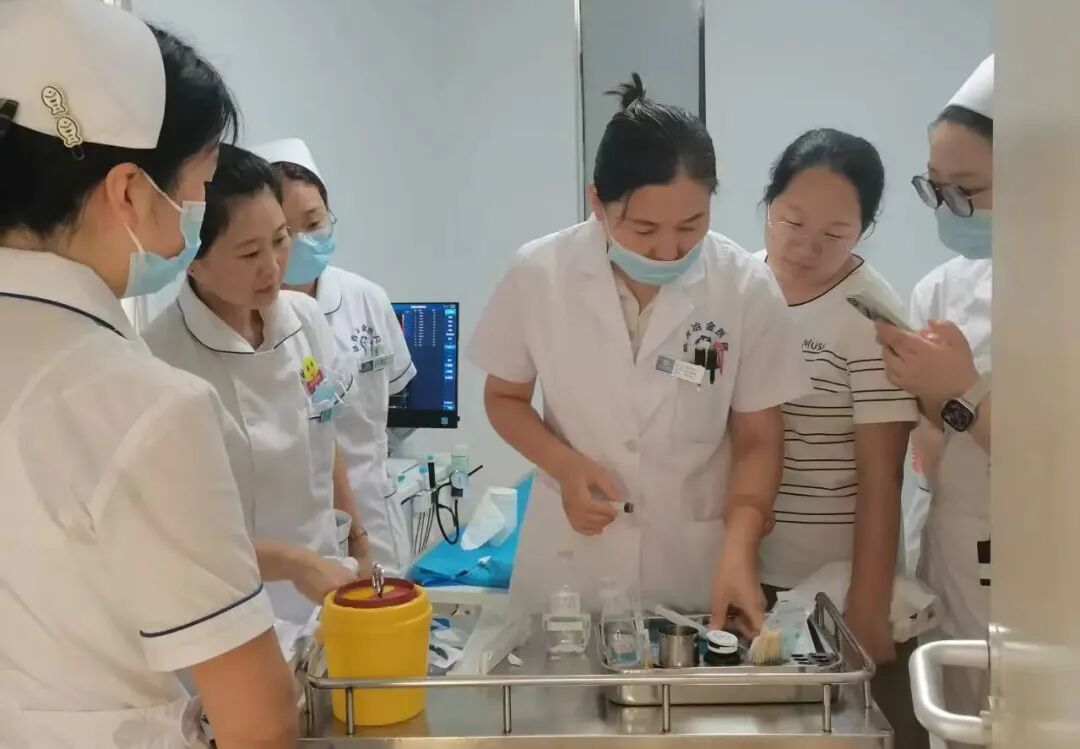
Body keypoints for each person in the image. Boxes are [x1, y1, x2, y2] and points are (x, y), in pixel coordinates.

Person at [0, 2, 296, 747]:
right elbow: (259, 721)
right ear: (130, 189)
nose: (197, 209)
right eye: (199, 184)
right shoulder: (141, 404)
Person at [468, 74, 809, 629]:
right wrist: (564, 465)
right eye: (645, 229)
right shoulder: (540, 273)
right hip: (570, 568)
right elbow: (503, 397)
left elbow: (759, 439)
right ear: (597, 203)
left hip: (692, 567)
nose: (669, 250)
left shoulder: (743, 287)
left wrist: (740, 548)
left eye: (691, 225)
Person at [144, 145, 370, 625]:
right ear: (190, 259)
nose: (273, 266)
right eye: (249, 252)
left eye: (280, 239)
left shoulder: (304, 321)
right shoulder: (162, 360)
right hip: (231, 608)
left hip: (325, 586)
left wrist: (360, 544)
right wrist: (295, 563)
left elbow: (325, 434)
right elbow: (179, 536)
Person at [755, 129, 925, 748]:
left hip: (835, 583)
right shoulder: (740, 285)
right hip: (744, 566)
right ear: (768, 203)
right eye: (792, 222)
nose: (806, 247)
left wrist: (868, 607)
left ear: (864, 230)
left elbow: (883, 477)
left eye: (834, 234)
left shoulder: (869, 313)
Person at [876, 55, 994, 745]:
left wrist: (961, 393)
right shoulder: (941, 288)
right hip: (948, 558)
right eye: (935, 187)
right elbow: (929, 441)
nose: (949, 209)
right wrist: (923, 398)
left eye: (967, 191)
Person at [253, 137, 418, 575]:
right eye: (288, 232)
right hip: (295, 531)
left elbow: (396, 399)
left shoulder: (366, 298)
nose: (304, 241)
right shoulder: (252, 315)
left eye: (314, 221)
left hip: (375, 514)